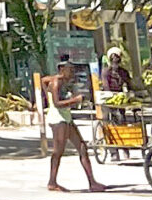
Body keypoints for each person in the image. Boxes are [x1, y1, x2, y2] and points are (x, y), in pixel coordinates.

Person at [45, 61, 106, 192]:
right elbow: (56, 103)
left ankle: (92, 182)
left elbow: (44, 81)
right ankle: (52, 182)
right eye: (70, 70)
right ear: (62, 69)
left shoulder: (65, 82)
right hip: (58, 119)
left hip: (66, 118)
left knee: (82, 147)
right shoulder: (56, 82)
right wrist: (75, 100)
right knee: (58, 151)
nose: (72, 73)